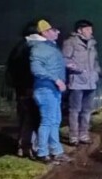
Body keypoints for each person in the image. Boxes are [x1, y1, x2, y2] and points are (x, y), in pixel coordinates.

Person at [28, 19, 69, 163]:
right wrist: (56, 80)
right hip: (46, 90)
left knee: (55, 121)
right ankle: (42, 153)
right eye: (54, 30)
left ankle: (56, 151)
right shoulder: (39, 48)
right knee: (47, 122)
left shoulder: (49, 47)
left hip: (53, 90)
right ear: (45, 32)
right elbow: (37, 69)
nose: (57, 32)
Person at [5, 21, 40, 158]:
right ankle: (29, 147)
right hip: (29, 87)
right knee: (31, 118)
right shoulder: (29, 47)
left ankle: (23, 146)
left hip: (22, 88)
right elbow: (26, 70)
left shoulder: (20, 47)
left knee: (26, 117)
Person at [62, 19, 100, 146]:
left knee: (87, 110)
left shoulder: (92, 44)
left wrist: (96, 73)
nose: (91, 31)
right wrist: (77, 69)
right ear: (79, 30)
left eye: (91, 29)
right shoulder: (70, 43)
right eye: (88, 29)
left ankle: (84, 134)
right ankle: (73, 136)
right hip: (77, 82)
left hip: (90, 82)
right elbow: (65, 59)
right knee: (75, 110)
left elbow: (95, 62)